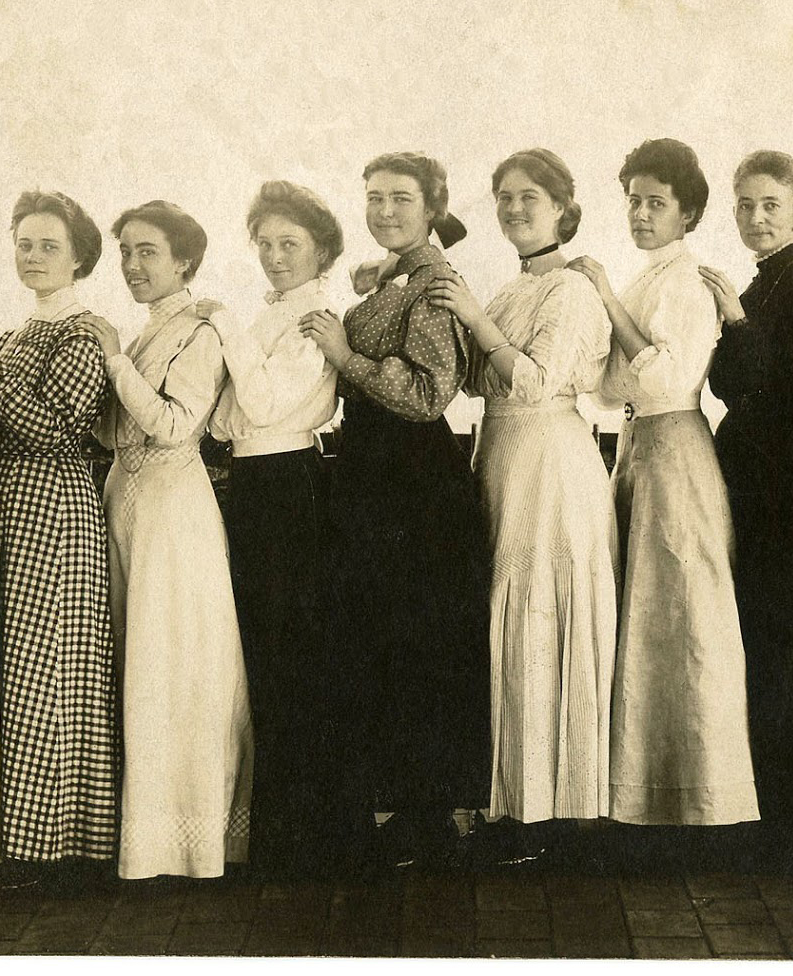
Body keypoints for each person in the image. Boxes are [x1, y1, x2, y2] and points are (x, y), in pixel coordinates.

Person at [300, 152, 491, 864]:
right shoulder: (400, 275)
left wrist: (345, 355)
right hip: (378, 471)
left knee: (416, 638)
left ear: (433, 208)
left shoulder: (438, 281)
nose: (384, 211)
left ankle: (426, 817)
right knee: (388, 635)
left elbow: (428, 393)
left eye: (400, 199)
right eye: (374, 197)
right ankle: (407, 812)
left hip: (412, 474)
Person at [425, 148, 617, 852]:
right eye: (503, 196)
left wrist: (474, 319)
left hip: (550, 462)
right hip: (502, 454)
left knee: (539, 622)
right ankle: (511, 801)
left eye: (529, 197)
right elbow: (477, 380)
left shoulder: (569, 290)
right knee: (507, 622)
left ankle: (555, 811)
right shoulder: (510, 291)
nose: (512, 208)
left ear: (564, 208)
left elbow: (535, 380)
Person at [574, 137, 759, 830]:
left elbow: (665, 377)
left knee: (685, 621)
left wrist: (604, 300)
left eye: (657, 203)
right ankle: (649, 799)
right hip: (640, 447)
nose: (642, 214)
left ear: (688, 213)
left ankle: (705, 804)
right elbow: (606, 384)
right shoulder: (647, 279)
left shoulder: (685, 282)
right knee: (649, 622)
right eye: (634, 202)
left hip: (677, 449)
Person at [0, 190, 117, 878]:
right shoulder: (17, 331)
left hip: (55, 508)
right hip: (7, 503)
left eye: (48, 246)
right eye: (24, 243)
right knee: (14, 666)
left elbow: (58, 430)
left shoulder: (81, 330)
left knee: (48, 670)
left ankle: (55, 846)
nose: (32, 257)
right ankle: (12, 838)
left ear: (78, 259)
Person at [79, 201, 251, 880]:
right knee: (133, 660)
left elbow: (178, 425)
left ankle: (187, 842)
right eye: (125, 251)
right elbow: (115, 432)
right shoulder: (144, 333)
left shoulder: (200, 331)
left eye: (148, 252)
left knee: (172, 665)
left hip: (176, 514)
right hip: (125, 503)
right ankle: (139, 837)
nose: (132, 265)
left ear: (184, 260)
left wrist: (114, 363)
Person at [198, 181, 351, 876]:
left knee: (293, 657)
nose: (273, 256)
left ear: (321, 250)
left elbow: (255, 405)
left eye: (289, 244)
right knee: (263, 652)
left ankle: (308, 840)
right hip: (255, 486)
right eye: (263, 243)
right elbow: (228, 422)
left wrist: (225, 329)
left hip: (290, 488)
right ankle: (278, 834)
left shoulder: (315, 318)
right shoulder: (271, 319)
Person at [700, 150, 793, 862]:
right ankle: (761, 803)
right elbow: (729, 386)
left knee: (790, 635)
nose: (756, 219)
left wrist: (734, 322)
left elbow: (792, 379)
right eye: (745, 206)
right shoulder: (759, 286)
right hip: (755, 466)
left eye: (770, 206)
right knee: (754, 632)